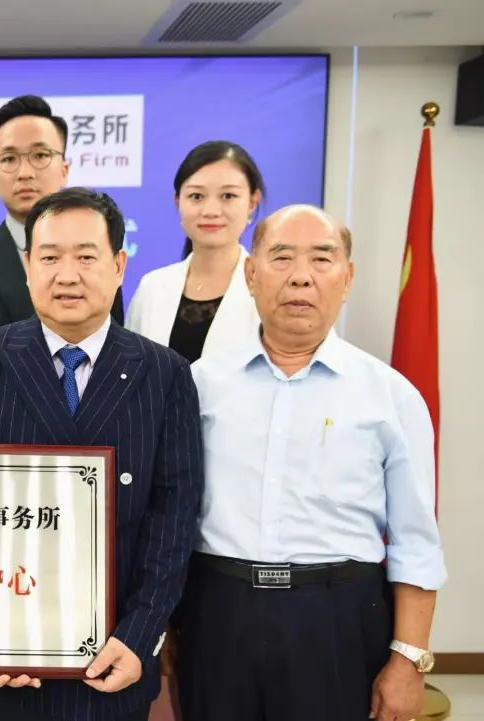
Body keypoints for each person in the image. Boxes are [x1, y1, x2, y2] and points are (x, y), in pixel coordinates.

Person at [0, 187, 203, 721]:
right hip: (3, 660)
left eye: (86, 257)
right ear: (27, 267)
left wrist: (140, 635)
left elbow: (174, 517)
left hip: (113, 657)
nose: (67, 275)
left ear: (119, 265)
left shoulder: (165, 372)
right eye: (50, 257)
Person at [178, 205, 446, 721]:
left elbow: (416, 541)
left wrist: (409, 660)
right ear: (250, 275)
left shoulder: (391, 396)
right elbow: (173, 516)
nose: (301, 275)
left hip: (338, 621)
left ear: (347, 278)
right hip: (218, 616)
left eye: (322, 259)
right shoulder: (200, 384)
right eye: (281, 257)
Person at [0, 95, 124, 384]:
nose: (25, 172)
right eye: (9, 159)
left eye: (40, 155)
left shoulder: (99, 254)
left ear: (64, 169)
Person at [125, 140, 264, 362]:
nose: (210, 211)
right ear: (178, 200)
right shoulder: (152, 288)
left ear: (252, 202)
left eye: (228, 196)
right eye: (196, 196)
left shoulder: (269, 290)